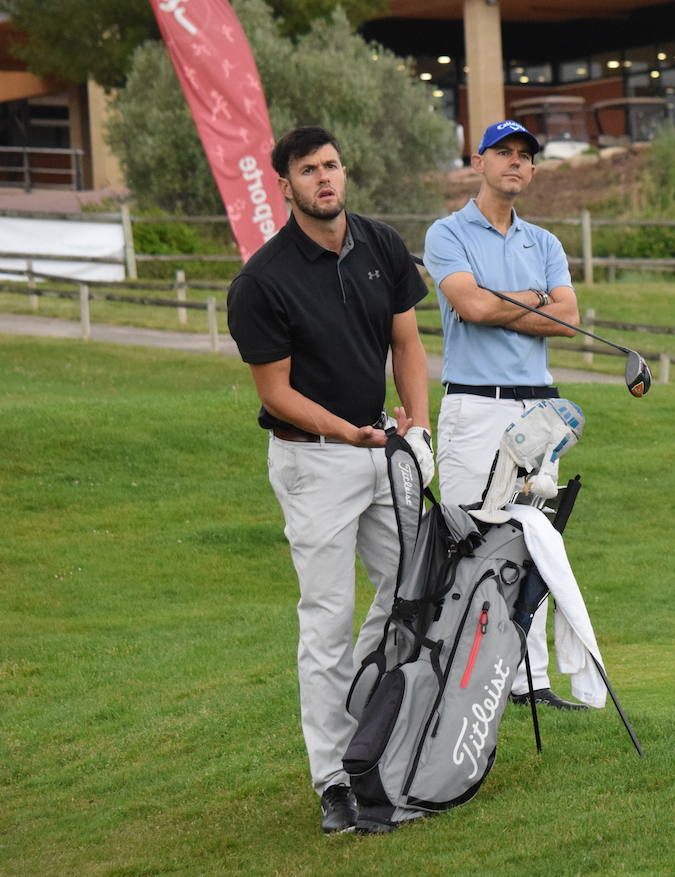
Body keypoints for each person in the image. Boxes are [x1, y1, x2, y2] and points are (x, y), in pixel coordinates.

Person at [227, 126, 435, 833]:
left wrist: (419, 425)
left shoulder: (380, 244)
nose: (325, 178)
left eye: (333, 166)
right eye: (309, 169)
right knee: (326, 622)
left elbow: (407, 341)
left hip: (383, 446)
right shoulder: (261, 281)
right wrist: (347, 432)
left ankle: (371, 737)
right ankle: (333, 784)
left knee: (413, 583)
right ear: (285, 184)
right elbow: (275, 392)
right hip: (313, 459)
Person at [422, 119, 585, 710]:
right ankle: (460, 678)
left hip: (537, 409)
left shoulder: (544, 242)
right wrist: (532, 300)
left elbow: (564, 315)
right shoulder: (447, 233)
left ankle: (529, 683)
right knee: (471, 541)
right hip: (474, 403)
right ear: (479, 162)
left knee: (533, 541)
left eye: (524, 156)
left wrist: (500, 303)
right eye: (503, 153)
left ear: (533, 170)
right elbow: (468, 303)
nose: (515, 163)